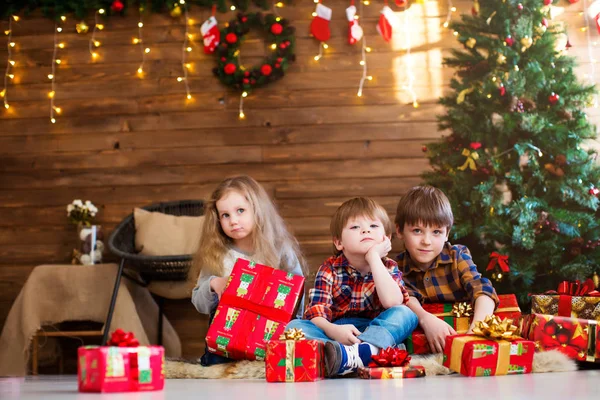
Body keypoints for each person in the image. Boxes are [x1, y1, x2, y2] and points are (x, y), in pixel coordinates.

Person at [286, 197, 418, 377]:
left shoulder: (388, 267)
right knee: (294, 326)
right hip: (336, 331)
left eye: (373, 226)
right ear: (339, 242)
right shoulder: (329, 269)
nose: (365, 230)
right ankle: (353, 353)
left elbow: (392, 302)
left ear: (386, 239)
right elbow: (317, 313)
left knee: (406, 314)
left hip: (376, 328)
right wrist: (334, 331)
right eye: (355, 227)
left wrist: (373, 258)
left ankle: (362, 351)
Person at [191, 175, 305, 365]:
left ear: (257, 210)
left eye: (240, 211)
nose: (233, 220)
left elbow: (297, 298)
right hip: (226, 342)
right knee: (213, 362)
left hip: (271, 337)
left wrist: (292, 335)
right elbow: (198, 302)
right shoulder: (217, 254)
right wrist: (213, 284)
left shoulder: (280, 250)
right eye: (225, 215)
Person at [395, 185, 499, 353]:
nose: (426, 241)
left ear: (447, 233)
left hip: (468, 330)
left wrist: (477, 329)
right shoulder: (396, 267)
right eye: (417, 231)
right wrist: (425, 319)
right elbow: (405, 298)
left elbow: (482, 290)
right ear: (399, 230)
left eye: (436, 232)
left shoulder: (457, 256)